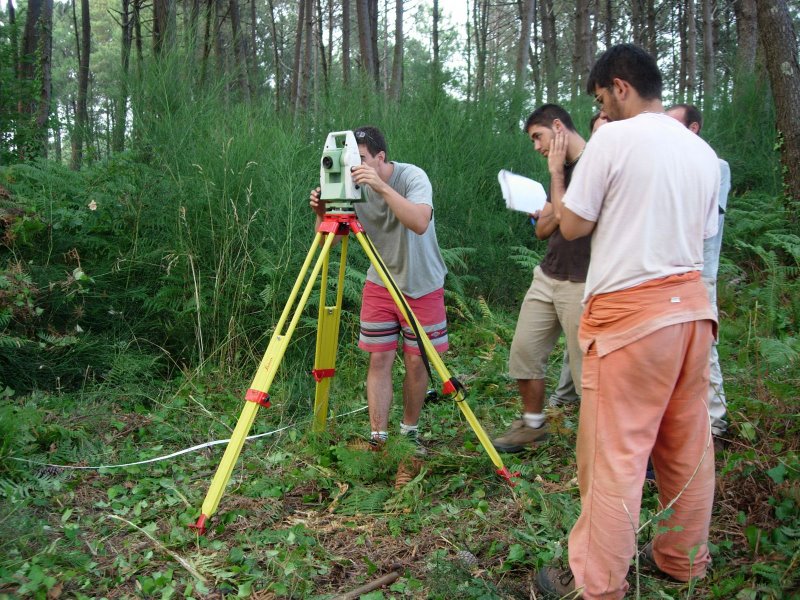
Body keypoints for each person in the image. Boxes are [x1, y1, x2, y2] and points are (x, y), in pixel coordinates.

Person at [535, 45, 719, 598]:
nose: (602, 111)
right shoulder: (700, 150)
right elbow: (704, 234)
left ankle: (595, 582)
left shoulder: (614, 139)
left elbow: (570, 227)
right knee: (687, 444)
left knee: (613, 456)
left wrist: (557, 175)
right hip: (691, 311)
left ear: (619, 87)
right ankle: (683, 560)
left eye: (599, 99)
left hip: (630, 318)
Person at [309, 126, 448, 453]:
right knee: (379, 358)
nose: (353, 167)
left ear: (380, 158)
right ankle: (378, 438)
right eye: (349, 161)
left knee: (417, 362)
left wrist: (381, 187)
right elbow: (332, 239)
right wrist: (322, 212)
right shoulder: (352, 186)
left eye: (360, 160)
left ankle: (409, 433)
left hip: (421, 284)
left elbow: (419, 221)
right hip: (381, 282)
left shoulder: (412, 177)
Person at [492, 104, 591, 452]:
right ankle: (533, 425)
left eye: (538, 136)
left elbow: (566, 220)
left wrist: (557, 185)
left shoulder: (594, 163)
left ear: (559, 126)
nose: (536, 146)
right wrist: (555, 196)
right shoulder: (559, 169)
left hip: (583, 282)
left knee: (587, 375)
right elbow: (546, 227)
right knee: (524, 351)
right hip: (548, 274)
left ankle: (599, 446)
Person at [666, 103, 731, 448]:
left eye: (675, 126)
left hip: (699, 273)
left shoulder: (715, 166)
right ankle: (682, 426)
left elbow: (705, 223)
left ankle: (717, 424)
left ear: (693, 129)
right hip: (668, 274)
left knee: (705, 349)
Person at [549, 111, 609, 408]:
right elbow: (550, 223)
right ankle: (563, 398)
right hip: (569, 271)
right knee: (577, 343)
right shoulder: (577, 168)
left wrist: (557, 173)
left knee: (587, 350)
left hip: (602, 276)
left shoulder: (605, 168)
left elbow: (569, 224)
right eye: (598, 132)